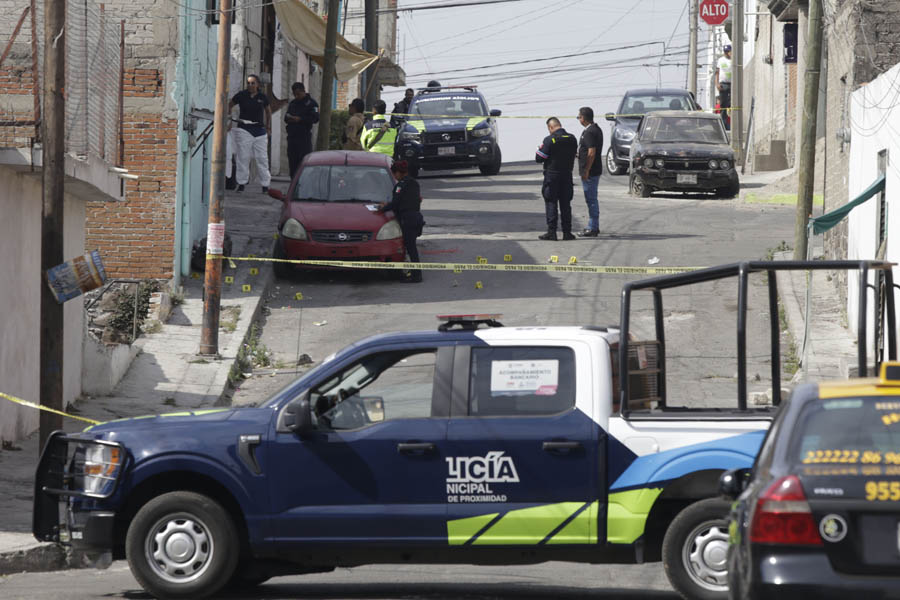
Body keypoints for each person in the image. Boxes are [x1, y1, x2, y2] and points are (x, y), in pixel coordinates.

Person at [377, 160, 424, 283]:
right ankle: (415, 273)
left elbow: (396, 203)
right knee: (412, 247)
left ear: (398, 172)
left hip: (407, 219)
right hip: (416, 218)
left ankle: (416, 275)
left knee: (410, 248)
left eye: (394, 174)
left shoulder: (400, 186)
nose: (394, 176)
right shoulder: (414, 183)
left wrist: (383, 208)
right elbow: (412, 200)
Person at [535, 117, 578, 241]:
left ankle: (552, 232)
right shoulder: (572, 138)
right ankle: (567, 232)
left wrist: (539, 149)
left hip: (552, 175)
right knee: (566, 204)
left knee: (551, 202)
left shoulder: (549, 140)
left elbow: (539, 158)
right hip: (567, 175)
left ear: (550, 127)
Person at [228, 74, 272, 193]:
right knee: (243, 157)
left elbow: (268, 112)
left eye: (253, 83)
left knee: (262, 158)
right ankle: (241, 183)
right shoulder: (241, 95)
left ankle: (265, 185)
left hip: (259, 131)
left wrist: (268, 127)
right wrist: (230, 121)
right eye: (248, 83)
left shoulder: (262, 97)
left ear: (258, 84)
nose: (250, 85)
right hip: (244, 129)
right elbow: (229, 105)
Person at [576, 106, 603, 237]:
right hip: (594, 169)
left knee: (591, 199)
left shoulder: (589, 132)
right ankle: (593, 226)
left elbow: (591, 153)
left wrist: (586, 169)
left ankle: (593, 227)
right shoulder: (595, 129)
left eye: (579, 117)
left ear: (583, 118)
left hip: (590, 172)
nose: (578, 119)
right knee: (592, 198)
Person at [284, 82, 319, 178]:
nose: (296, 96)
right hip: (292, 137)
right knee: (292, 163)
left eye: (298, 94)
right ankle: (293, 184)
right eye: (294, 94)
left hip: (304, 138)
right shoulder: (293, 103)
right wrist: (291, 118)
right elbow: (286, 117)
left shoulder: (311, 103)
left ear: (303, 91)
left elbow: (315, 118)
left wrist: (300, 119)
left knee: (304, 163)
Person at [715, 44, 732, 130]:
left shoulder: (734, 60)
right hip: (723, 83)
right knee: (723, 104)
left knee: (732, 103)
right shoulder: (720, 60)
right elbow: (717, 72)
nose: (727, 53)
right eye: (725, 52)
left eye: (728, 51)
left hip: (732, 84)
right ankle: (723, 125)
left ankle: (731, 123)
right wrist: (717, 83)